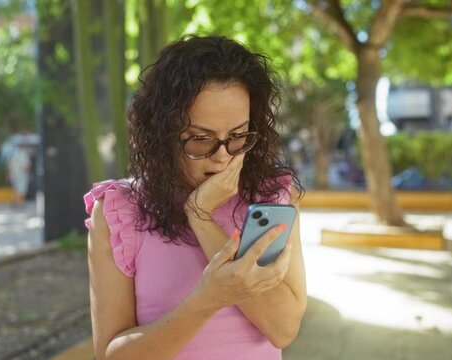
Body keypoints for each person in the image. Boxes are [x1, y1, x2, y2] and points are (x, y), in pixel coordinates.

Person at [84, 35, 307, 360]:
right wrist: (208, 299)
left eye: (238, 136)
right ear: (162, 133)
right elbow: (111, 355)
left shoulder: (270, 200)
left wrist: (201, 215)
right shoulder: (120, 211)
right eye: (201, 139)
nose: (222, 157)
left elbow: (283, 329)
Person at [7, 143, 31, 207]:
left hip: (15, 174)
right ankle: (19, 202)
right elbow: (27, 166)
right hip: (21, 174)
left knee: (17, 188)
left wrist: (10, 174)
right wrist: (28, 175)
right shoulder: (24, 155)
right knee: (22, 189)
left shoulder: (14, 155)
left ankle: (17, 202)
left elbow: (10, 166)